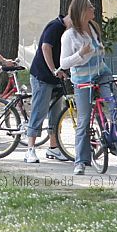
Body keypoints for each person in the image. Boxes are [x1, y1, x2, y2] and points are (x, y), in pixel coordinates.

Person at [59, 0, 117, 176]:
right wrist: (80, 53)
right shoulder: (69, 35)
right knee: (84, 120)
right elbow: (64, 63)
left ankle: (116, 141)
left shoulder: (93, 28)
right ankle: (80, 161)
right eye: (90, 7)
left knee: (115, 105)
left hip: (102, 74)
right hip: (83, 80)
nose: (94, 9)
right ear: (81, 11)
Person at [24, 14, 73, 164]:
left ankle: (53, 147)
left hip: (57, 78)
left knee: (56, 114)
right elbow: (46, 48)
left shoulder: (70, 31)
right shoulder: (55, 26)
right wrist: (54, 70)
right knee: (39, 111)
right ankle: (30, 149)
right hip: (43, 76)